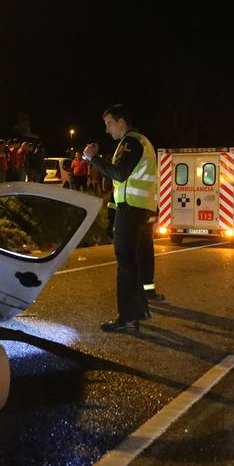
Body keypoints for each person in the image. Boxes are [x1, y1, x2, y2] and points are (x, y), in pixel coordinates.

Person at [84, 103, 162, 333]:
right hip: (140, 209)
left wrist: (92, 158)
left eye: (109, 123)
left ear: (121, 122)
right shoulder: (142, 142)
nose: (107, 130)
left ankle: (127, 318)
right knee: (133, 262)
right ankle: (138, 310)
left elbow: (119, 173)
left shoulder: (131, 142)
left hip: (130, 210)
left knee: (125, 265)